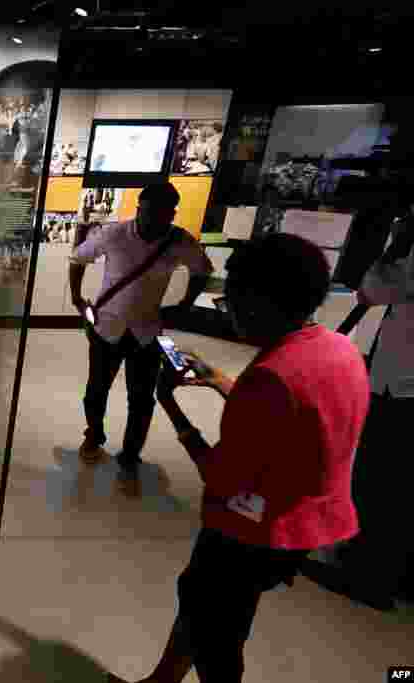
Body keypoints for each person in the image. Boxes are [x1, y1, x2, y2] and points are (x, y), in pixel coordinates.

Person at [119, 233, 369, 683]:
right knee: (204, 607)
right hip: (309, 520)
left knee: (216, 634)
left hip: (254, 528)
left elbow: (220, 476)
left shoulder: (271, 377)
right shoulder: (340, 348)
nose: (228, 311)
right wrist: (219, 379)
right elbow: (291, 418)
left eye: (231, 300)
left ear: (259, 301)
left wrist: (171, 406)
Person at [69, 182, 213, 487]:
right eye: (148, 212)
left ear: (171, 214)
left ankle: (130, 456)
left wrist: (185, 304)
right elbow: (78, 258)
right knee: (96, 390)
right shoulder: (114, 233)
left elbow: (203, 269)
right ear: (138, 208)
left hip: (147, 333)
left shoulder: (179, 241)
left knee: (141, 400)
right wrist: (76, 298)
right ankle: (93, 434)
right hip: (107, 327)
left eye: (162, 214)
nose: (153, 220)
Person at [332, 199, 414, 609]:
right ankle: (392, 572)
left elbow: (373, 289)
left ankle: (368, 576)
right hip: (398, 382)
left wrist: (396, 244)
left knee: (380, 481)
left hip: (402, 387)